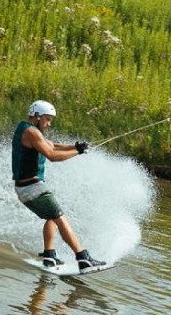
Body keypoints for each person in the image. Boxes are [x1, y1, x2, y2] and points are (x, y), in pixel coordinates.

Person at [12, 100, 106, 273]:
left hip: (23, 188)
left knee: (51, 218)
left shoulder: (27, 129)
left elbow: (51, 144)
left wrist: (75, 146)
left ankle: (49, 255)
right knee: (60, 217)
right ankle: (83, 258)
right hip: (33, 188)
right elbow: (52, 155)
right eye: (47, 119)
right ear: (38, 116)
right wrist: (78, 152)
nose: (49, 123)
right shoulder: (31, 132)